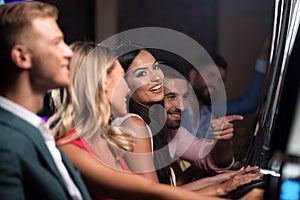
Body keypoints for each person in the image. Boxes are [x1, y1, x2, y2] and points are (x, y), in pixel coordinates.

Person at [50, 41, 224, 200]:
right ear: (103, 83)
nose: (127, 89)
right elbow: (149, 191)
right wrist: (219, 190)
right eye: (122, 80)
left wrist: (221, 186)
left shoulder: (109, 135)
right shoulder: (71, 146)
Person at [117, 46, 263, 196]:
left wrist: (225, 177)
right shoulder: (135, 125)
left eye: (155, 67)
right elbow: (156, 196)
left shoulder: (163, 129)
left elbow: (208, 163)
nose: (182, 106)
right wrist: (221, 188)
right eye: (171, 97)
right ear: (125, 86)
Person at [0, 2, 91, 199]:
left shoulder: (34, 129)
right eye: (56, 42)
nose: (68, 52)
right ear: (22, 57)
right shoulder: (5, 143)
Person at [182, 38, 270, 139]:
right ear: (193, 76)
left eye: (220, 81)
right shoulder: (173, 109)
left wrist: (263, 56)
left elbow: (250, 102)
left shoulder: (214, 111)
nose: (216, 84)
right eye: (210, 76)